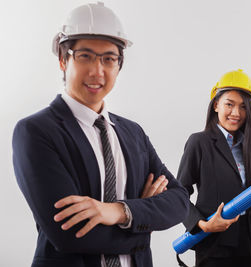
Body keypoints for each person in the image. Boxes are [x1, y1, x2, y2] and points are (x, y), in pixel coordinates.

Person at [12, 2, 189, 267]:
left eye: (109, 59)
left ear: (119, 65)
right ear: (63, 59)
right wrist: (144, 225)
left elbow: (179, 201)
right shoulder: (36, 131)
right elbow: (71, 234)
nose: (98, 71)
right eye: (85, 56)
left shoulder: (133, 133)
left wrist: (119, 211)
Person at [177, 69, 251, 267]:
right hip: (214, 248)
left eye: (243, 107)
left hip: (248, 247)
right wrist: (202, 225)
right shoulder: (198, 142)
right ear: (216, 104)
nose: (236, 113)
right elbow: (179, 193)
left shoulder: (248, 146)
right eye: (229, 104)